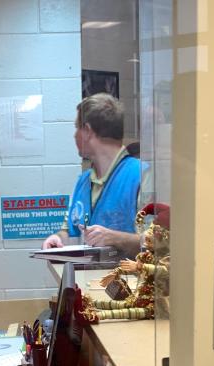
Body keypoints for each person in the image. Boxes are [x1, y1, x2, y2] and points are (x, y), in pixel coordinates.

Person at [42, 93, 143, 256]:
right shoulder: (83, 181)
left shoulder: (141, 176)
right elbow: (69, 230)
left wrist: (115, 238)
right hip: (87, 280)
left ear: (87, 131)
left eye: (77, 128)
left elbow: (158, 244)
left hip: (127, 280)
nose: (74, 135)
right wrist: (58, 238)